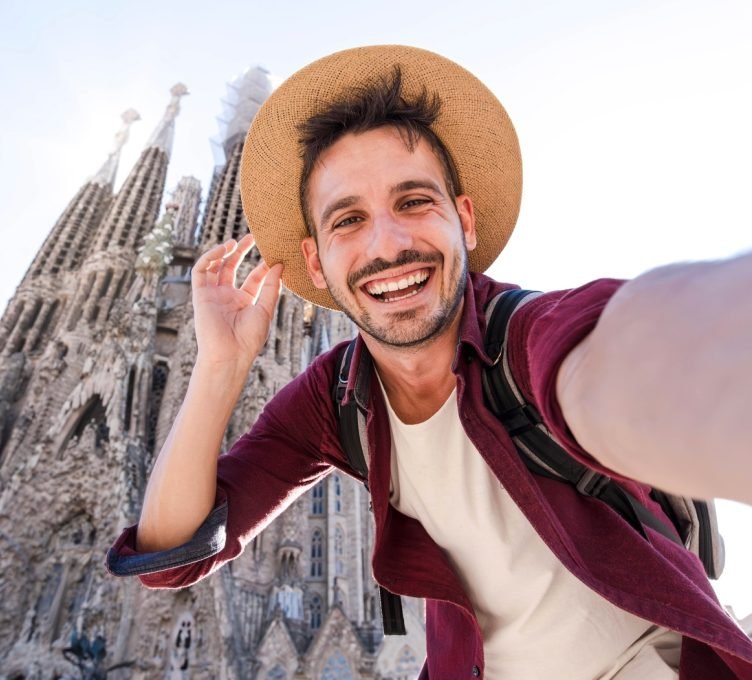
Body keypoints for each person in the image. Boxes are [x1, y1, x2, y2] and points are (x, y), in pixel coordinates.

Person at [106, 45, 752, 678]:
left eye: (413, 201)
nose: (387, 244)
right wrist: (220, 366)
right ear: (315, 262)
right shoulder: (335, 401)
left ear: (463, 219)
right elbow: (169, 559)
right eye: (349, 219)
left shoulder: (529, 339)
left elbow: (634, 359)